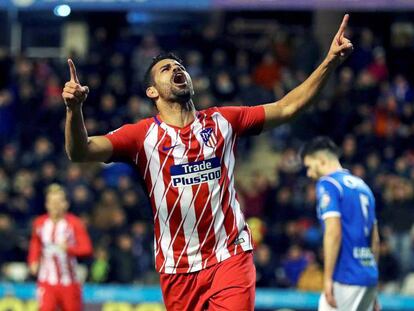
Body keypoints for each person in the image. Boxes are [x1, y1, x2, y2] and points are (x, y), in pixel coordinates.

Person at [62, 15, 353, 311]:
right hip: (177, 268)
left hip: (230, 256)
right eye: (166, 69)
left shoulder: (222, 121)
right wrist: (74, 110)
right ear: (152, 92)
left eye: (180, 67)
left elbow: (287, 106)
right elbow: (81, 151)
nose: (177, 69)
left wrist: (329, 61)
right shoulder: (141, 136)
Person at [301, 137, 380, 311]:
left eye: (308, 167)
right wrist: (374, 285)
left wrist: (328, 278)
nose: (308, 174)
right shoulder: (363, 187)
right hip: (368, 276)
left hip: (345, 277)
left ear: (321, 160)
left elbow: (333, 232)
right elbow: (374, 239)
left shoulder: (329, 184)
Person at [28, 184, 93, 311]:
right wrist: (33, 261)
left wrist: (69, 248)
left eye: (58, 202)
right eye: (52, 202)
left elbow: (87, 249)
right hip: (46, 282)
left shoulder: (74, 223)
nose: (55, 206)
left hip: (69, 282)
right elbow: (35, 243)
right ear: (46, 204)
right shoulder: (40, 223)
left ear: (65, 204)